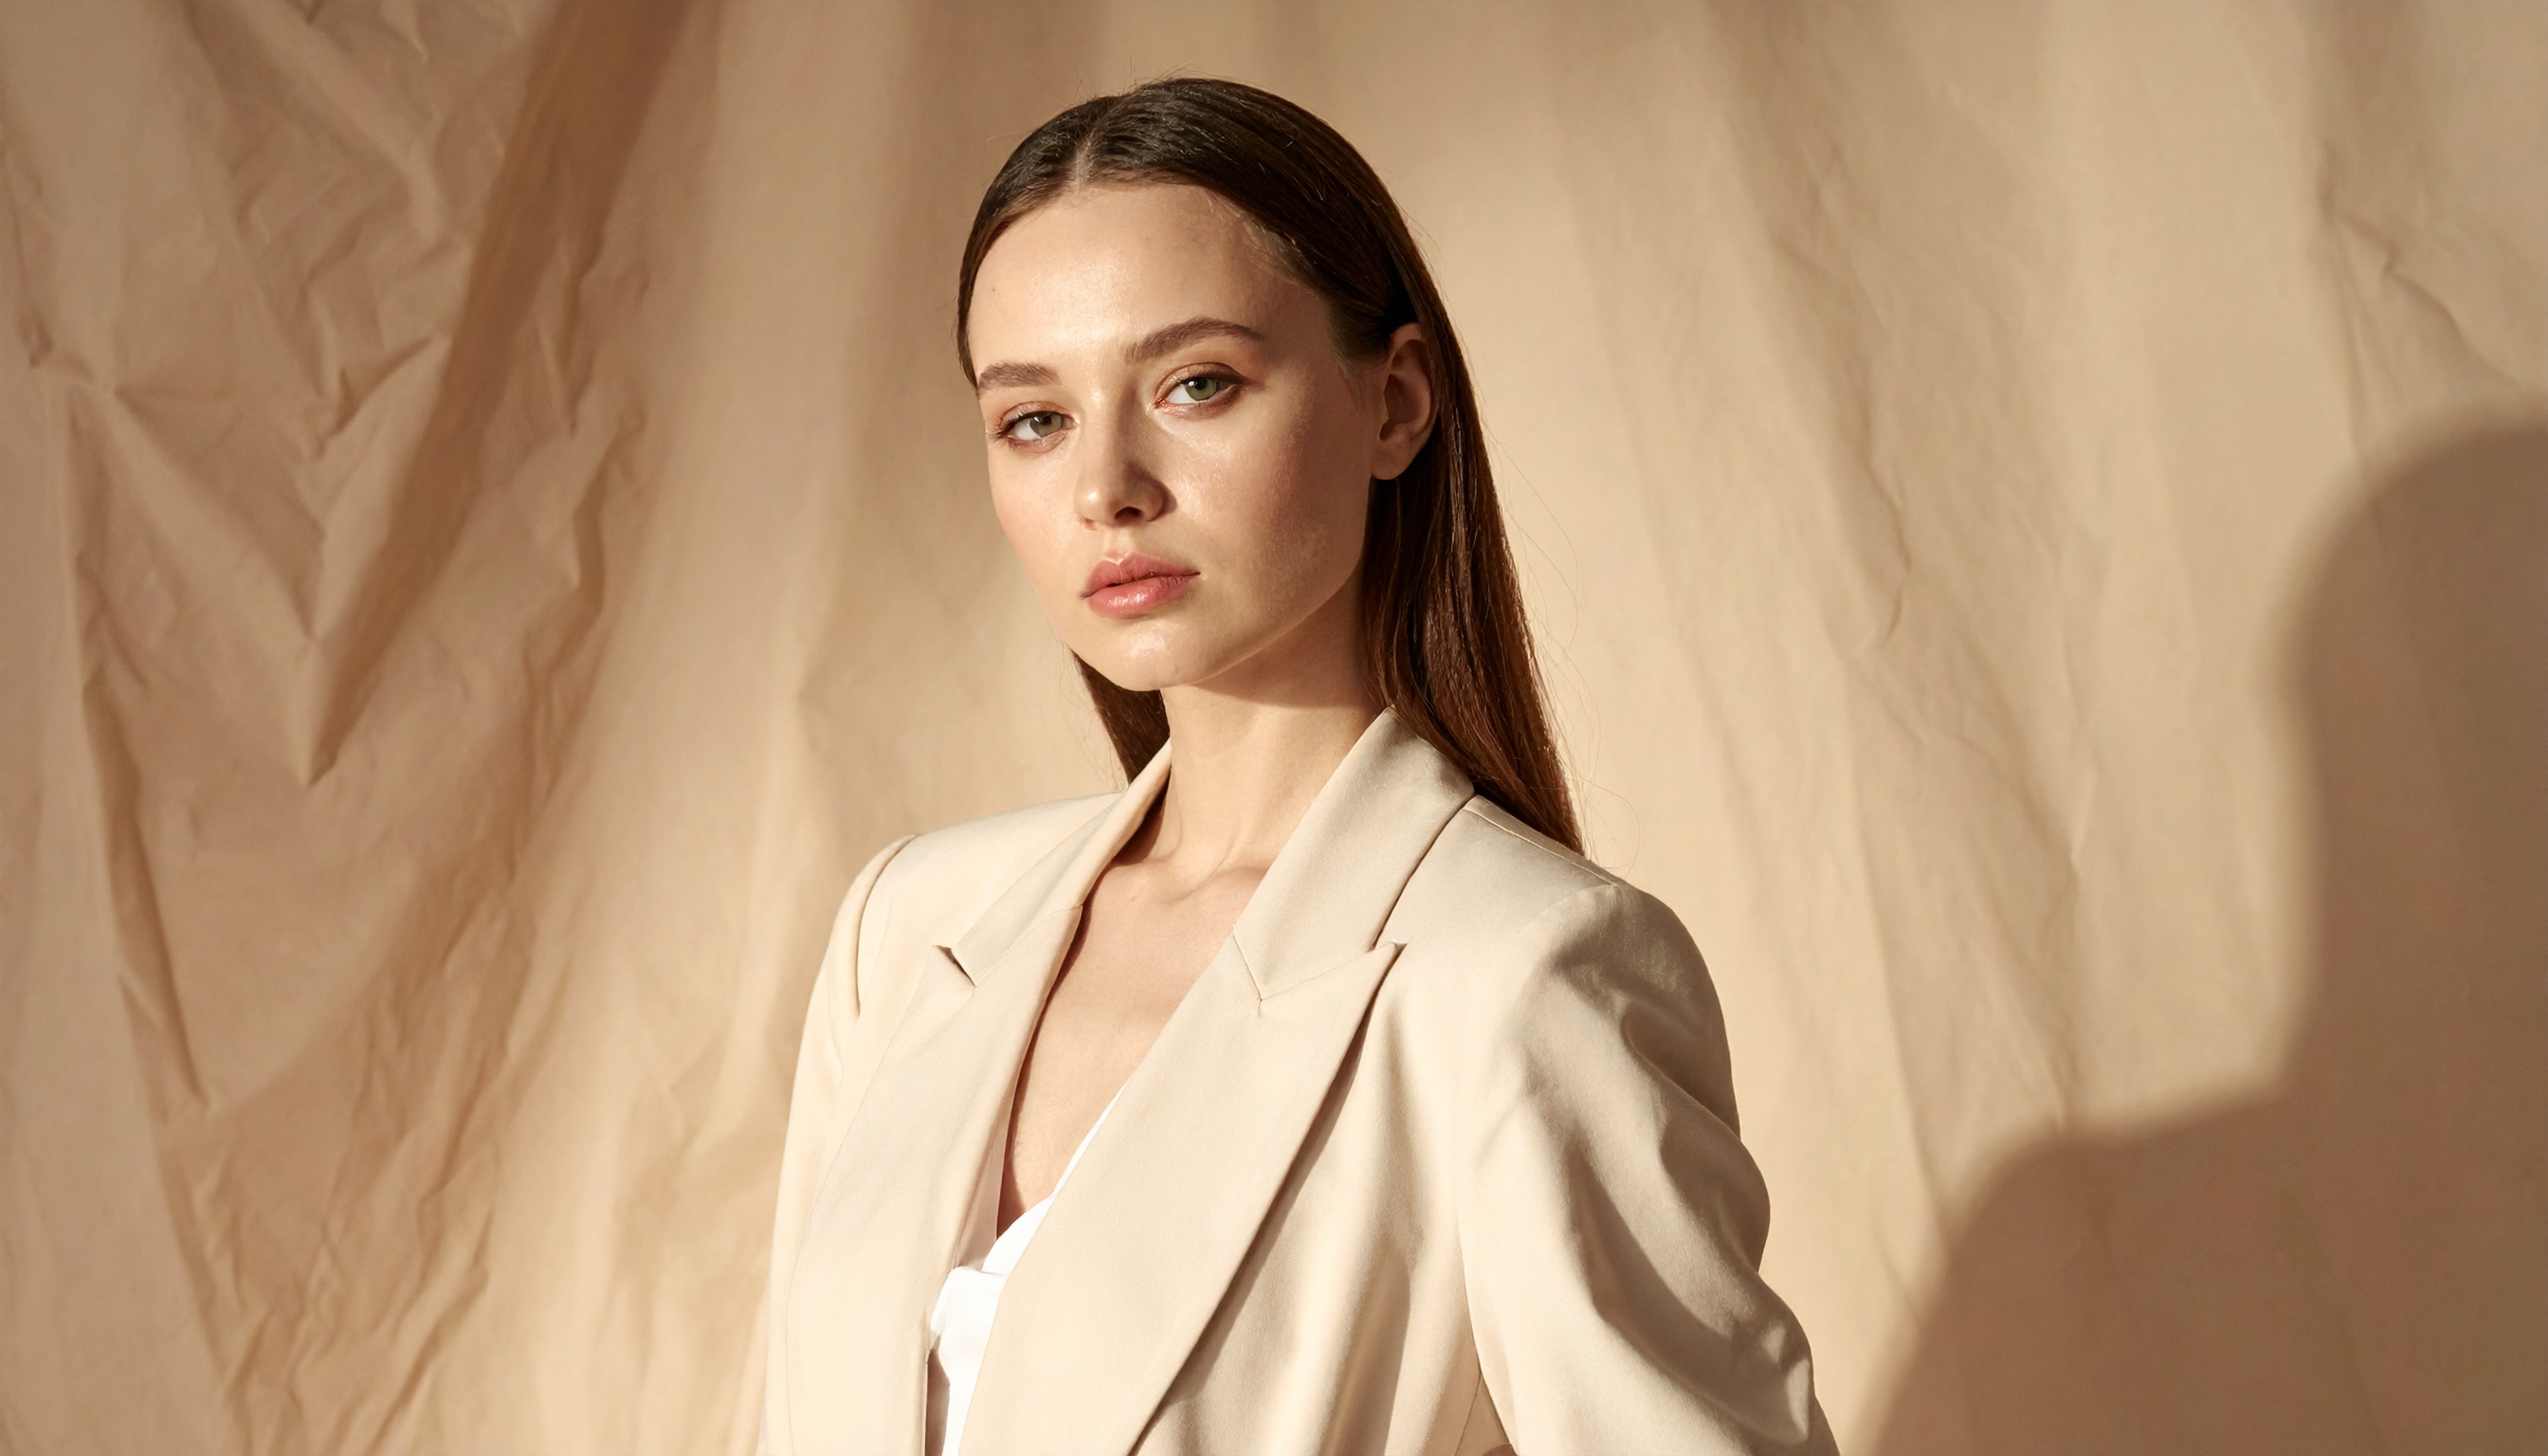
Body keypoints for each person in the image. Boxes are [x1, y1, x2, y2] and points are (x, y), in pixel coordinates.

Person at [758, 78, 1831, 1456]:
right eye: (1034, 418)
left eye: (1196, 384)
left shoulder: (1522, 974)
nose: (1107, 486)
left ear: (1395, 406)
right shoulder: (908, 928)